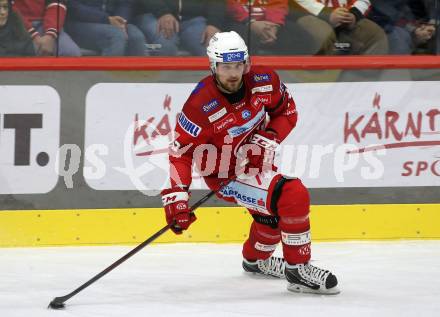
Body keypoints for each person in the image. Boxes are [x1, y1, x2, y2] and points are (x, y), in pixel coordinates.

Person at [160, 31, 339, 294]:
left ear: (246, 63)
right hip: (222, 172)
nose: (233, 74)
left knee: (272, 218)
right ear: (213, 66)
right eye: (225, 67)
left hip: (256, 162)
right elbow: (181, 153)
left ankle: (256, 260)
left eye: (238, 66)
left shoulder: (265, 80)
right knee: (291, 194)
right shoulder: (200, 104)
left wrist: (268, 138)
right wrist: (177, 198)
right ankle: (298, 269)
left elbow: (286, 112)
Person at [292, 0, 388, 55]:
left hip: (346, 18)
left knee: (374, 33)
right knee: (321, 32)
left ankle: (364, 81)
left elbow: (363, 1)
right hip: (312, 17)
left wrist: (353, 14)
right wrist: (327, 14)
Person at [227, 0, 321, 55]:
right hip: (239, 22)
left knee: (301, 38)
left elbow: (278, 4)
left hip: (270, 23)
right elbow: (230, 5)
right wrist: (250, 22)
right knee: (244, 40)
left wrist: (275, 25)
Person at [134, 0, 225, 56]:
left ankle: (209, 85)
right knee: (165, 43)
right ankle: (161, 85)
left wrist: (214, 24)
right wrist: (163, 12)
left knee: (209, 45)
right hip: (154, 14)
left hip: (194, 18)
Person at [66, 0, 147, 56]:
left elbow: (125, 3)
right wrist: (106, 19)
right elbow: (73, 8)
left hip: (111, 21)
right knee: (115, 36)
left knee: (136, 37)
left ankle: (140, 79)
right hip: (78, 23)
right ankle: (108, 79)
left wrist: (121, 21)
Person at [11, 0, 81, 56]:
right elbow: (8, 9)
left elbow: (57, 4)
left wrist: (50, 35)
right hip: (17, 25)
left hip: (46, 23)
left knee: (72, 53)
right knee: (25, 53)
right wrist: (34, 36)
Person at [369, 0, 436, 55]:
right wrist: (414, 29)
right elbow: (382, 12)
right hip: (387, 27)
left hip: (413, 24)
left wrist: (428, 23)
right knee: (399, 38)